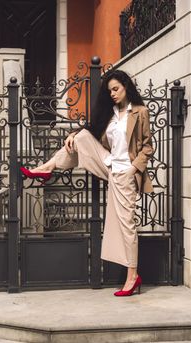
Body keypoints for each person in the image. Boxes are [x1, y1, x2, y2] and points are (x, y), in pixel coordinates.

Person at [20, 69, 154, 297]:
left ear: (126, 87)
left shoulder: (140, 112)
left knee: (126, 224)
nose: (112, 93)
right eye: (109, 90)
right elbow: (91, 134)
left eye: (116, 89)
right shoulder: (110, 114)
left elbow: (147, 147)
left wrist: (133, 169)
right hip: (109, 164)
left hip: (125, 173)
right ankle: (46, 168)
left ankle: (133, 276)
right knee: (80, 137)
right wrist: (74, 134)